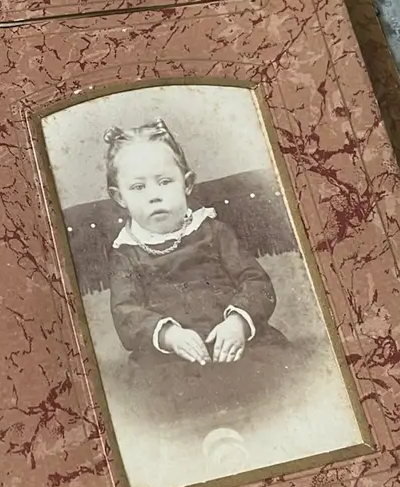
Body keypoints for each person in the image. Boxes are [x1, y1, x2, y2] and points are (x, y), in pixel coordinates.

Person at [104, 120, 290, 467]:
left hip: (231, 342)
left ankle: (263, 438)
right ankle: (211, 447)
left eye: (164, 181)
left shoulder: (214, 231)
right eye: (138, 187)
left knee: (274, 380)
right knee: (160, 401)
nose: (154, 195)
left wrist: (238, 323)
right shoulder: (126, 253)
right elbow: (126, 312)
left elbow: (256, 281)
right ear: (120, 197)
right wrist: (168, 335)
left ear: (186, 183)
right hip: (172, 356)